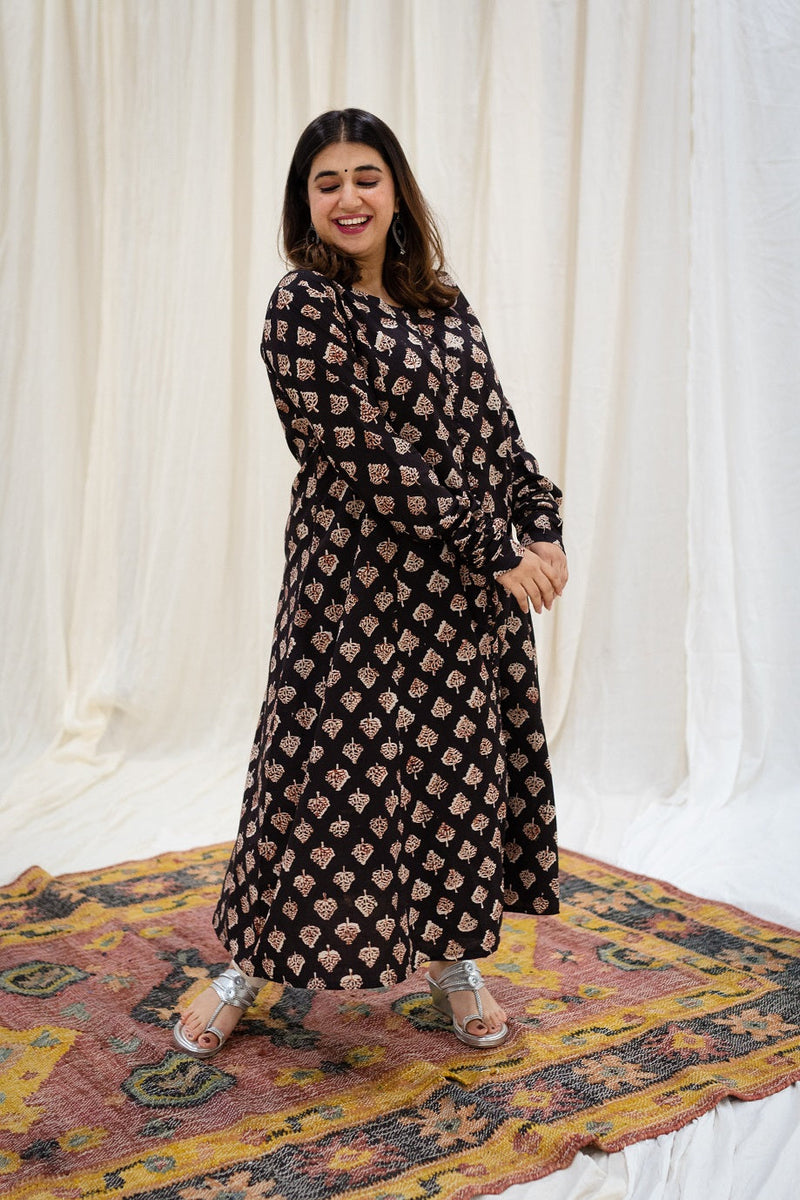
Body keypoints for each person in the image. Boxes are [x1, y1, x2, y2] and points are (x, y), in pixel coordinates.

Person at [174, 108, 567, 1058]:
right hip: (353, 594)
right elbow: (367, 457)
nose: (348, 198)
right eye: (327, 183)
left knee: (456, 780)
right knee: (316, 783)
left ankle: (454, 962)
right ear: (304, 202)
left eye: (365, 177)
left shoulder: (444, 304)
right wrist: (496, 544)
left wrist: (541, 523)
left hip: (461, 599)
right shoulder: (303, 307)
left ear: (396, 190)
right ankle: (246, 968)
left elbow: (497, 433)